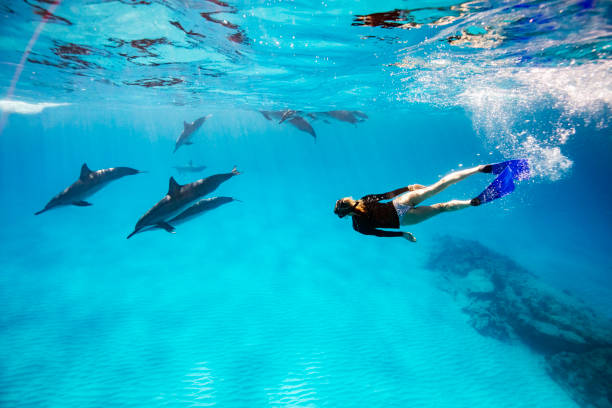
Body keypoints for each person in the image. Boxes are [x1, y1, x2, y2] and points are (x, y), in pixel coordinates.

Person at [333, 160, 529, 242]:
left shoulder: (358, 226)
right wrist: (408, 188)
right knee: (440, 185)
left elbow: (380, 233)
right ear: (348, 203)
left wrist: (402, 234)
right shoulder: (364, 202)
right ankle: (480, 169)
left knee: (442, 207)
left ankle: (473, 202)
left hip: (403, 218)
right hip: (400, 204)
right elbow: (387, 195)